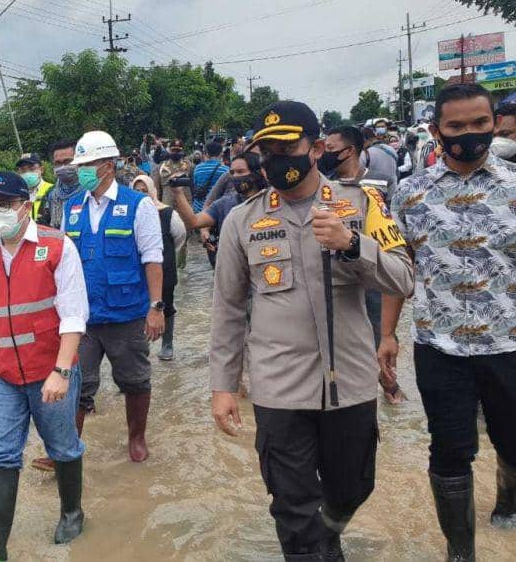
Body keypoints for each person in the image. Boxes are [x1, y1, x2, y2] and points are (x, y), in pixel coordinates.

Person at [210, 101, 414, 560]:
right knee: (293, 507)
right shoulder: (242, 221)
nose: (277, 158)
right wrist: (222, 386)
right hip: (278, 389)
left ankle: (329, 532)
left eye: (288, 146)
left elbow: (404, 279)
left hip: (351, 384)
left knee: (353, 487)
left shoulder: (363, 204)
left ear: (317, 147)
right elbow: (226, 309)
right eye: (268, 150)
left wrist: (351, 245)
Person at [382, 83, 516, 561]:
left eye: (478, 124)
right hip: (440, 348)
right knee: (450, 451)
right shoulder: (411, 195)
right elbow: (400, 271)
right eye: (456, 126)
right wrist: (386, 335)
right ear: (437, 131)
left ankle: (508, 502)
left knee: (512, 442)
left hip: (510, 346)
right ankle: (461, 551)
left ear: (494, 123)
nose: (469, 134)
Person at [0, 171, 89, 561]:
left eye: (5, 205)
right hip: (2, 373)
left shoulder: (58, 246)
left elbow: (74, 316)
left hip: (50, 369)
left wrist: (62, 371)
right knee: (0, 452)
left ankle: (72, 512)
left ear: (25, 206)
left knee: (62, 446)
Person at [63, 130, 164, 464]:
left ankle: (137, 438)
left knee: (135, 381)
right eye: (79, 166)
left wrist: (156, 307)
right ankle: (67, 449)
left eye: (87, 165)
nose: (81, 172)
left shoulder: (138, 205)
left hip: (127, 313)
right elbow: (63, 261)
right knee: (76, 383)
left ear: (108, 165)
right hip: (84, 317)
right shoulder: (72, 206)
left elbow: (152, 257)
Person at [318, 126, 407, 404]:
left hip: (375, 266)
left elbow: (391, 226)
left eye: (330, 150)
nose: (325, 155)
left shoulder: (378, 183)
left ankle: (389, 385)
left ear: (350, 151)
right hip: (341, 271)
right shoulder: (324, 187)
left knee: (381, 332)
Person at [172, 152, 267, 269]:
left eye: (241, 172)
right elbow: (194, 222)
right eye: (232, 172)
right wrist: (178, 193)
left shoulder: (271, 201)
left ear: (257, 174)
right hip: (233, 266)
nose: (235, 176)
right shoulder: (225, 203)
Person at [131, 175, 185, 360]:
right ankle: (141, 346)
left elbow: (179, 237)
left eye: (144, 190)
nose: (140, 194)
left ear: (153, 191)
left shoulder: (168, 213)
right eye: (136, 191)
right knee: (139, 308)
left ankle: (167, 344)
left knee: (166, 305)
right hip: (138, 271)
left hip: (165, 268)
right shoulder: (129, 214)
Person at [43, 140, 83, 230]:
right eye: (58, 163)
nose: (62, 167)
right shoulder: (51, 195)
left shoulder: (92, 192)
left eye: (68, 161)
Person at [15, 153, 55, 225]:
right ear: (19, 173)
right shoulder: (16, 194)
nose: (27, 173)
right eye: (23, 170)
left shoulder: (52, 190)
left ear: (41, 169)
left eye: (32, 169)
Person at [192, 141, 229, 214]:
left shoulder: (197, 168)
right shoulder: (226, 170)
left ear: (207, 154)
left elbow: (195, 185)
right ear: (221, 154)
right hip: (216, 209)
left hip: (198, 207)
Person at [360, 126, 399, 194]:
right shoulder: (391, 149)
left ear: (365, 139)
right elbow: (396, 171)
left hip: (375, 194)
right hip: (392, 190)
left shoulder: (366, 154)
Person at [153, 139, 192, 206]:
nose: (175, 153)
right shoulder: (161, 167)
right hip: (167, 206)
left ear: (182, 151)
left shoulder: (189, 166)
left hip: (185, 206)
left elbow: (193, 187)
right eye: (173, 150)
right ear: (170, 150)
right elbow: (157, 190)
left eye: (178, 151)